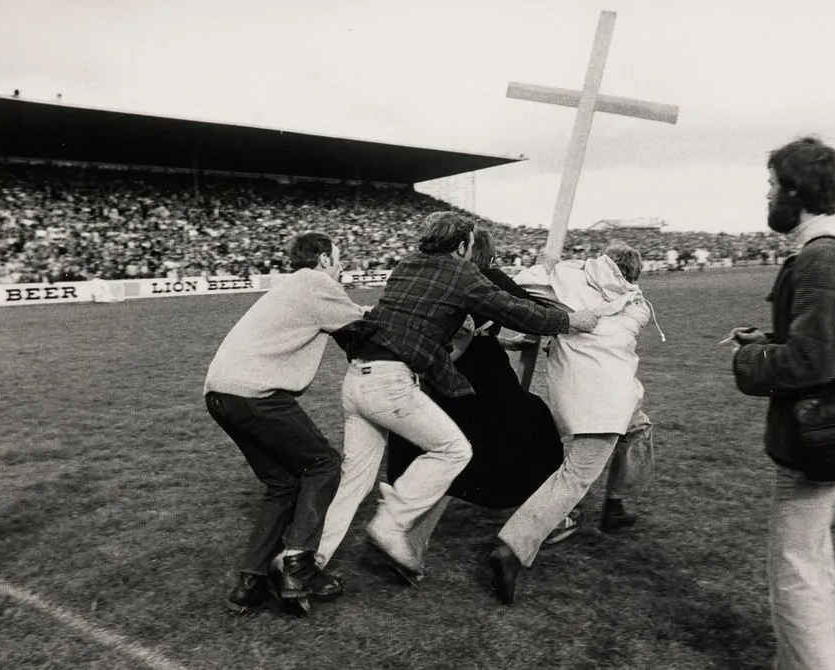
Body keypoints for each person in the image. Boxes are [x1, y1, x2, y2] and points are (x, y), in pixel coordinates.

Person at [321, 212, 598, 582]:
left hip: (358, 377)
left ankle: (307, 559)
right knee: (454, 451)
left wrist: (495, 339)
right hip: (392, 383)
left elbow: (429, 324)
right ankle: (391, 525)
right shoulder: (461, 271)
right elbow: (515, 310)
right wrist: (570, 321)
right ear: (463, 245)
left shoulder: (406, 264)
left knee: (356, 481)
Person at [729, 137, 835, 670]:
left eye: (772, 185)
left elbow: (812, 363)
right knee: (810, 567)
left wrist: (750, 361)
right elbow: (820, 341)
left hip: (818, 440)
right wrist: (766, 338)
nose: (767, 195)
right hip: (824, 435)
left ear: (795, 191)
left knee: (796, 578)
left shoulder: (823, 258)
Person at [488, 240, 661, 605]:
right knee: (575, 476)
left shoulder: (565, 281)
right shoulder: (639, 306)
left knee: (639, 428)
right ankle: (512, 547)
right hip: (604, 399)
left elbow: (521, 285)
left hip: (589, 393)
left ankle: (614, 505)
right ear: (632, 275)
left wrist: (543, 266)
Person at [203, 231, 365, 615]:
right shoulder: (317, 283)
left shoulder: (293, 285)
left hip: (219, 392)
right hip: (255, 393)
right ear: (324, 259)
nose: (342, 267)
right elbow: (364, 328)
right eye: (339, 259)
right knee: (323, 464)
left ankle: (249, 583)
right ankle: (298, 566)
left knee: (283, 484)